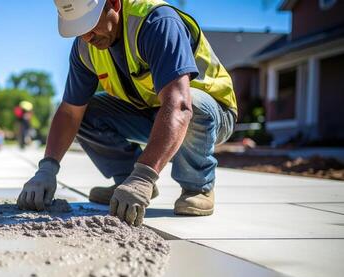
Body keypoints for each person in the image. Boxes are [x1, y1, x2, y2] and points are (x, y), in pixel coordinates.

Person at [17, 0, 237, 226]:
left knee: (193, 103)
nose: (87, 37)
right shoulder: (85, 47)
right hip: (152, 111)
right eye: (79, 29)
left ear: (113, 3)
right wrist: (47, 168)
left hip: (211, 113)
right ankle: (126, 181)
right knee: (86, 115)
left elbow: (180, 105)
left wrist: (145, 176)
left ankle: (197, 186)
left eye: (90, 25)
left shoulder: (156, 22)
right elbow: (70, 113)